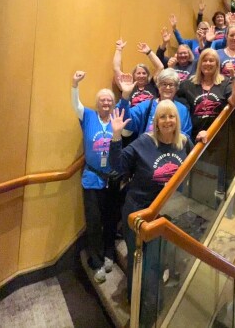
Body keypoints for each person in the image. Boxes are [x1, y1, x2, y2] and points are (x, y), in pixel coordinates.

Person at [108, 101, 193, 328]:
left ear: (177, 120)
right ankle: (141, 312)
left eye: (171, 116)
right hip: (139, 214)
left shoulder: (184, 142)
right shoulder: (144, 142)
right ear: (156, 121)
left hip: (167, 215)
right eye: (162, 117)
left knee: (153, 267)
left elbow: (194, 165)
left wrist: (204, 137)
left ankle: (146, 310)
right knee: (142, 265)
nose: (167, 121)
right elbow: (117, 167)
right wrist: (116, 136)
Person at [71, 71, 122, 284]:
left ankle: (110, 254)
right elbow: (76, 104)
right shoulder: (89, 116)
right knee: (93, 221)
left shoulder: (117, 119)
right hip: (92, 178)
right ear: (97, 103)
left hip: (112, 178)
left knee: (111, 219)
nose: (106, 103)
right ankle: (97, 261)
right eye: (103, 100)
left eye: (109, 100)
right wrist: (75, 84)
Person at [178, 48, 235, 197]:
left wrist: (234, 77)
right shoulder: (188, 84)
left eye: (211, 60)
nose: (208, 63)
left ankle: (211, 205)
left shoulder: (224, 83)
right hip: (195, 137)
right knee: (196, 175)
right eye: (205, 60)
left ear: (217, 63)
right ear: (200, 63)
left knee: (212, 175)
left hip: (218, 138)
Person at [116, 68, 192, 141]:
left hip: (172, 152)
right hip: (148, 150)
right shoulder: (146, 106)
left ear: (176, 88)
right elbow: (126, 120)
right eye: (164, 84)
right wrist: (125, 94)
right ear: (158, 86)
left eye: (171, 84)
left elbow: (185, 136)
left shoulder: (182, 110)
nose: (167, 87)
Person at [112, 39, 164, 107]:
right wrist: (118, 49)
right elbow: (116, 69)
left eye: (144, 73)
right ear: (133, 75)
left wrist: (149, 52)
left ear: (148, 75)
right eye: (138, 73)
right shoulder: (127, 86)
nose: (141, 75)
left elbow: (160, 67)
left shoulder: (153, 85)